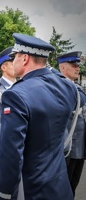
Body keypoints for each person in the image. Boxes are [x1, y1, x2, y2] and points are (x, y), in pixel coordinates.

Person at [0, 33, 86, 200]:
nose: (13, 61)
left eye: (14, 56)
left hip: (32, 188)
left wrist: (5, 193)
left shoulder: (15, 95)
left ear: (24, 59)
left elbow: (11, 155)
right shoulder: (67, 87)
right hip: (60, 184)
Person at [57, 51, 86, 197]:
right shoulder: (59, 88)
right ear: (63, 68)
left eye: (78, 65)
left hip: (80, 146)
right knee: (63, 189)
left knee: (72, 187)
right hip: (67, 148)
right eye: (73, 65)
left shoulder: (77, 87)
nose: (77, 68)